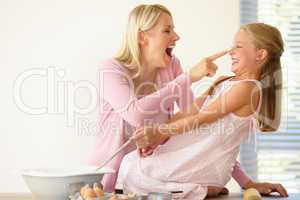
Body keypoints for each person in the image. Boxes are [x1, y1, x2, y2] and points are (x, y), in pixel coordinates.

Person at [88, 4, 287, 197]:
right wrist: (190, 77)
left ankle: (194, 188)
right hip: (109, 178)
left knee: (134, 167)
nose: (176, 36)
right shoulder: (111, 69)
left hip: (159, 176)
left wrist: (246, 182)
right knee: (128, 168)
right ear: (142, 37)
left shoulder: (171, 67)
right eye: (167, 31)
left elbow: (198, 128)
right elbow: (136, 113)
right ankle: (194, 189)